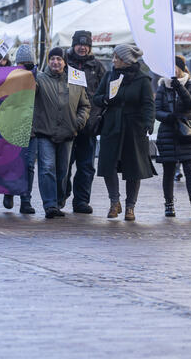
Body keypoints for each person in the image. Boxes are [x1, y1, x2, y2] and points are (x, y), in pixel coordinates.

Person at [94, 44, 156, 222]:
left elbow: (148, 104)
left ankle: (130, 207)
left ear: (127, 61)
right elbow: (96, 98)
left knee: (133, 168)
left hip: (133, 128)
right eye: (113, 57)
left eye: (117, 58)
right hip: (111, 126)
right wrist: (105, 99)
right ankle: (114, 202)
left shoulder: (142, 79)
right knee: (107, 165)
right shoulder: (109, 75)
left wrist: (148, 122)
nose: (113, 60)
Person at [32, 47, 90, 219]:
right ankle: (50, 204)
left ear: (65, 62)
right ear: (48, 61)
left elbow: (85, 105)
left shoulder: (76, 80)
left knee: (63, 170)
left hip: (68, 132)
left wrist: (78, 123)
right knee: (47, 168)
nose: (55, 62)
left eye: (59, 59)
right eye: (52, 59)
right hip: (45, 132)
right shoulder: (39, 79)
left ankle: (59, 201)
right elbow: (28, 93)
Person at [155, 55, 191, 218]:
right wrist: (168, 117)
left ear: (181, 68)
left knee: (190, 169)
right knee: (169, 170)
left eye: (175, 67)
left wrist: (178, 86)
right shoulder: (163, 85)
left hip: (187, 132)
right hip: (168, 133)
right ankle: (169, 205)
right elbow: (157, 111)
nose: (172, 70)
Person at [64, 30, 107, 214]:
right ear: (74, 45)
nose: (82, 47)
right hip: (65, 125)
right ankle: (61, 195)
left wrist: (99, 114)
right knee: (63, 165)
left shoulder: (97, 67)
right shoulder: (64, 63)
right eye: (79, 44)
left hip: (89, 126)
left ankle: (81, 201)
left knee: (86, 167)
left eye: (86, 45)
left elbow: (104, 92)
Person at [3, 44, 38, 214]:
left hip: (31, 129)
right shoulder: (10, 77)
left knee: (29, 165)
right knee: (11, 162)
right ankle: (9, 191)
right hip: (12, 128)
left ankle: (26, 199)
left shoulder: (39, 77)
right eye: (21, 63)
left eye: (28, 63)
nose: (24, 66)